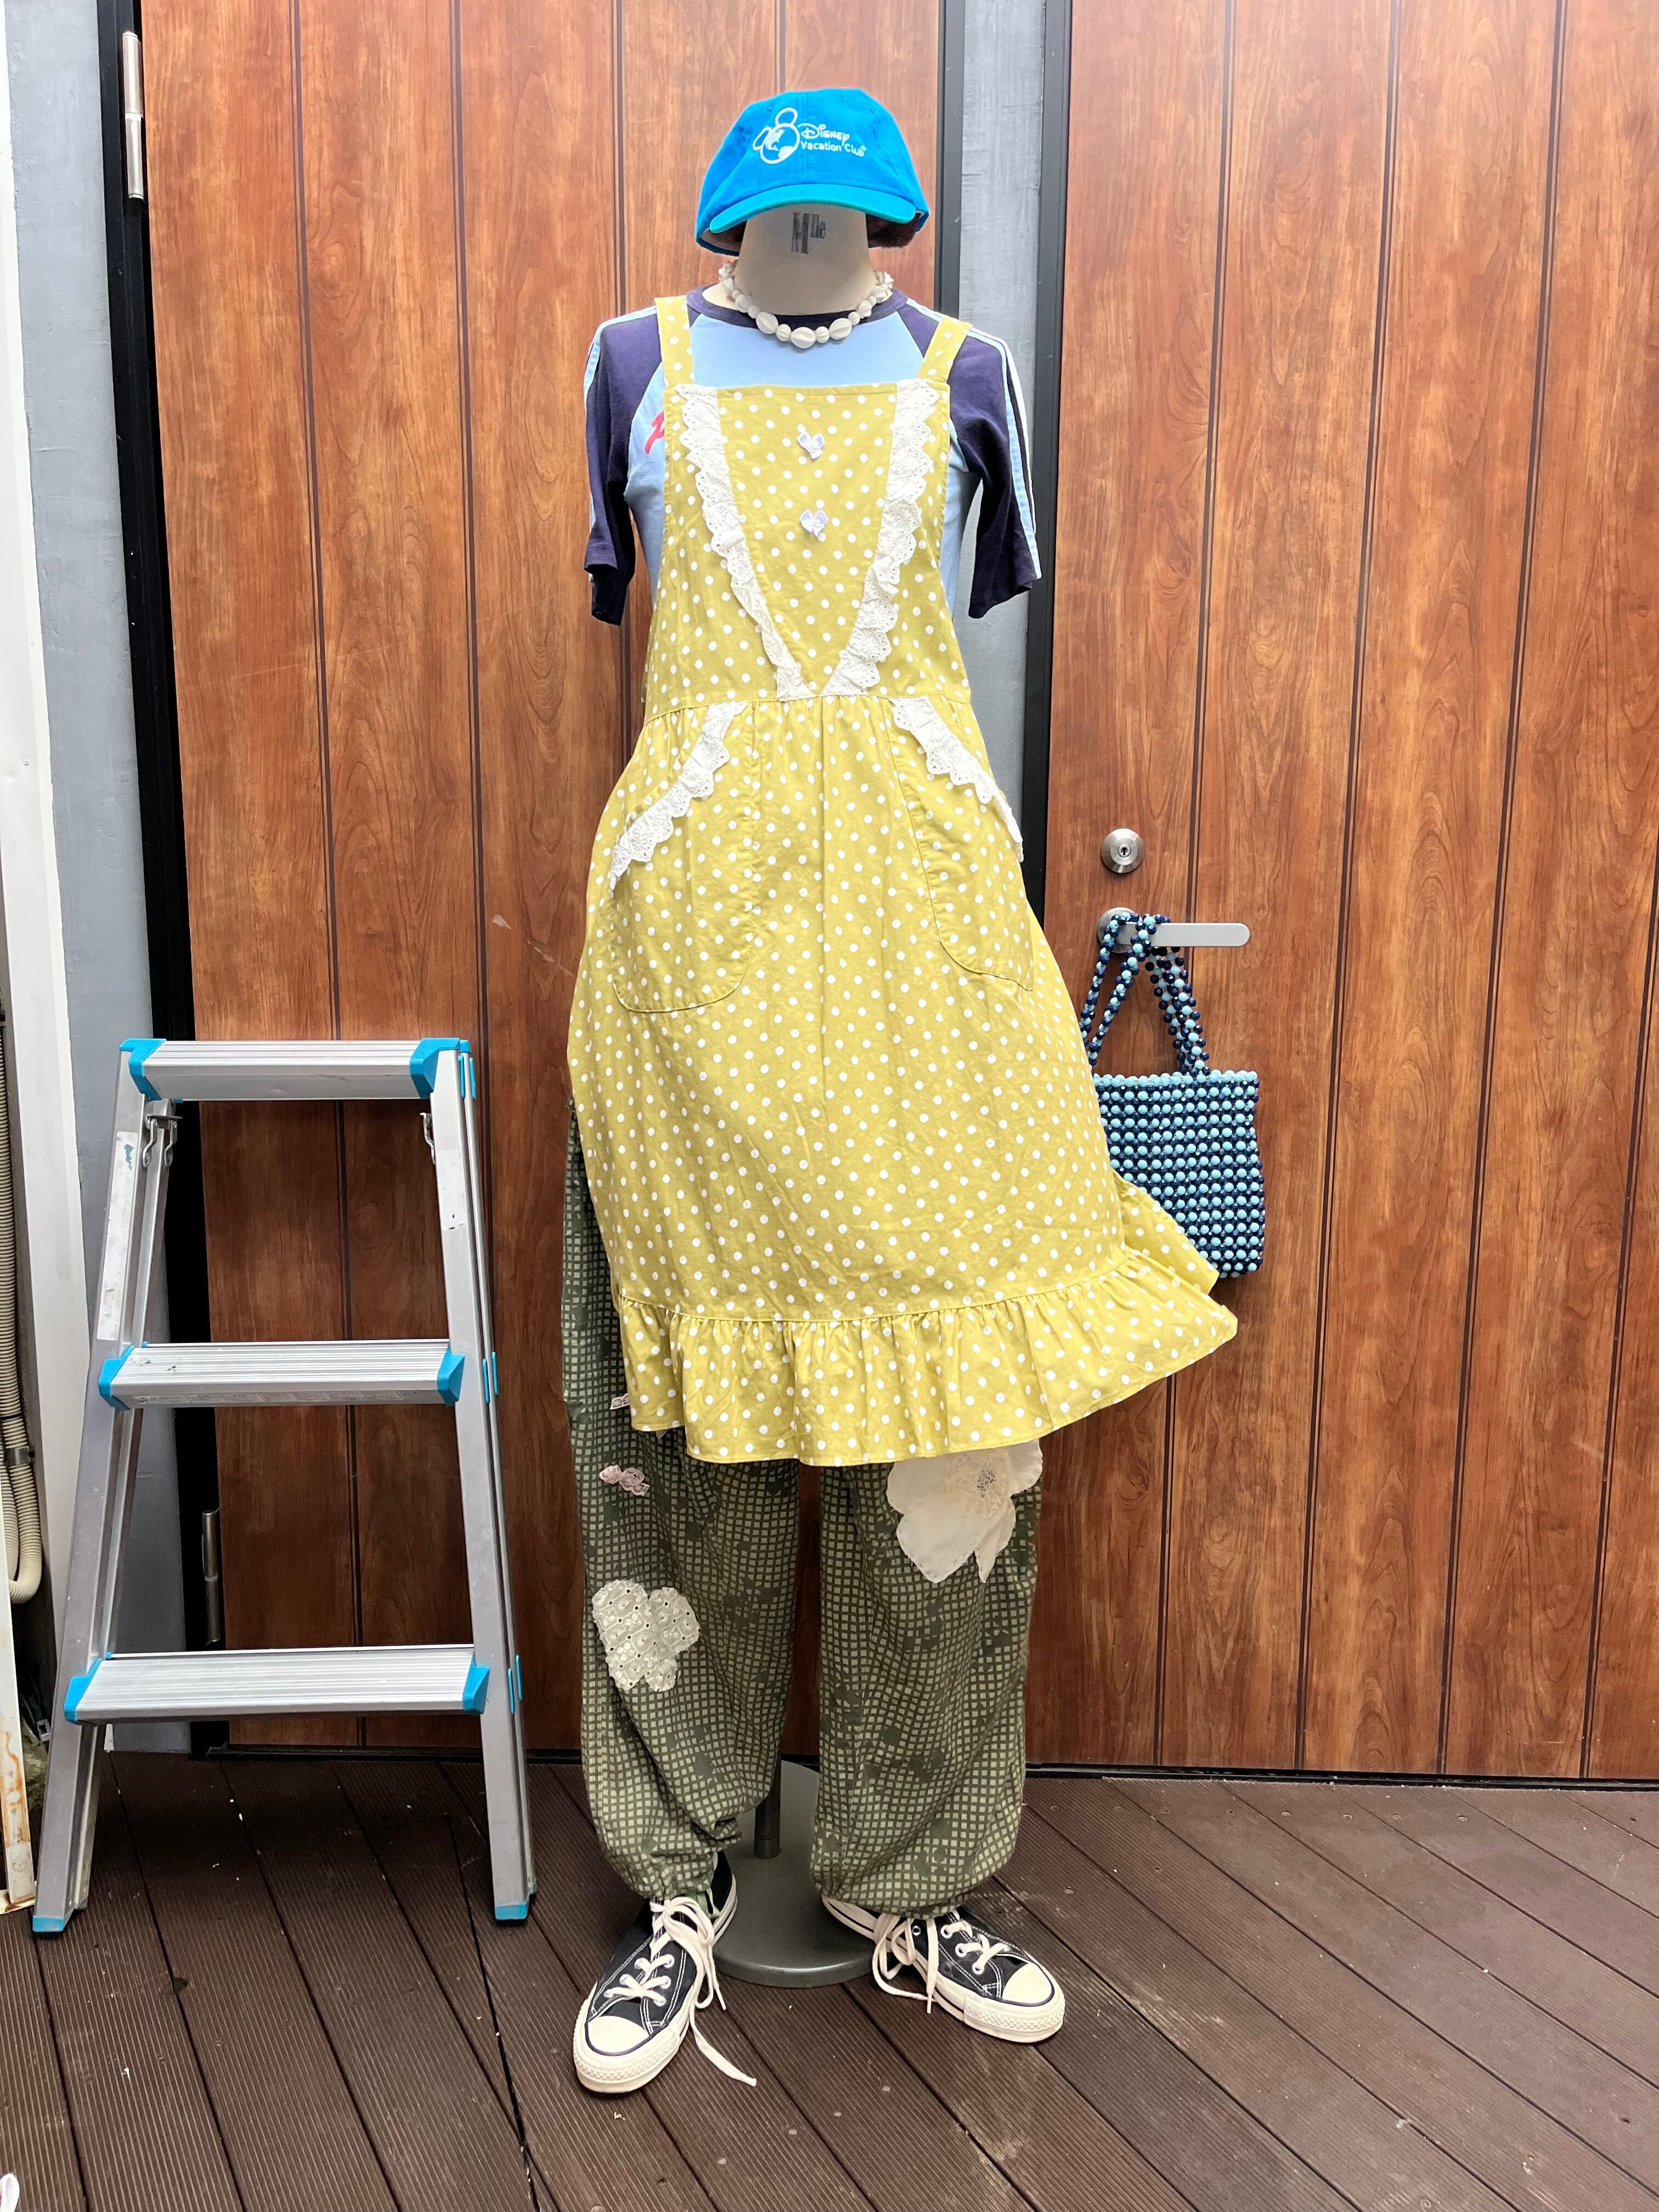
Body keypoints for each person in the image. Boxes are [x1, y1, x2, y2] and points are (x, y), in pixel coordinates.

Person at [565, 87, 1237, 2095]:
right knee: (677, 1432)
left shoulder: (975, 374)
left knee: (956, 1439)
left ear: (888, 217)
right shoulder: (631, 366)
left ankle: (914, 1882)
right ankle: (677, 1878)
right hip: (697, 967)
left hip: (935, 974)